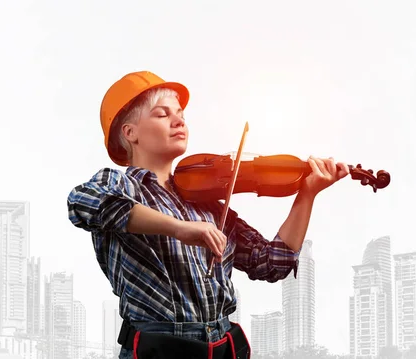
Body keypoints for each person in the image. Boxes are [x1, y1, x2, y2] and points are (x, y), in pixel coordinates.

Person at [67, 71, 349, 359]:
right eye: (162, 115)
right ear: (130, 133)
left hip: (223, 346)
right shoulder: (117, 184)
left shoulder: (206, 202)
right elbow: (83, 203)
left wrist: (307, 194)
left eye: (181, 115)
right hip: (160, 349)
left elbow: (271, 263)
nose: (179, 121)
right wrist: (180, 229)